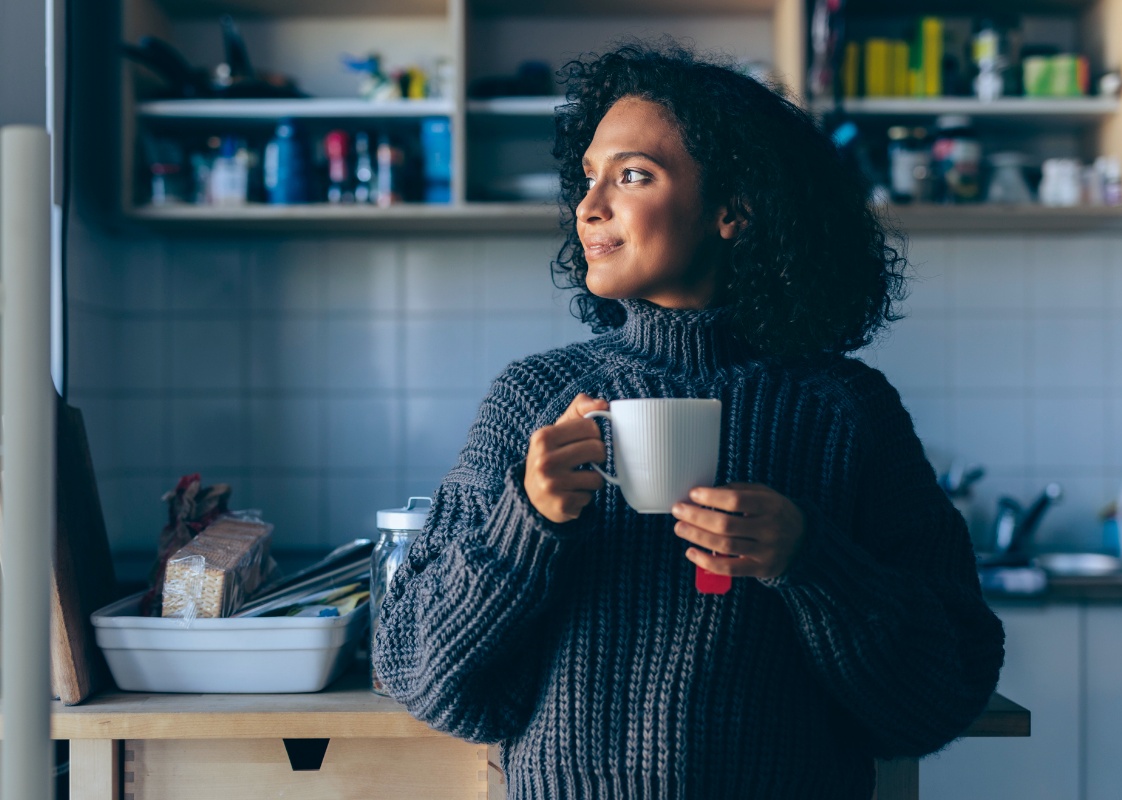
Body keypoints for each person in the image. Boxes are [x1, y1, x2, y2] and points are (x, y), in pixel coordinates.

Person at [373, 40, 1004, 799]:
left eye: (632, 175)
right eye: (588, 178)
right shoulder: (532, 399)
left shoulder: (847, 411)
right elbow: (418, 671)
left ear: (734, 208)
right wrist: (526, 522)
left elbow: (941, 694)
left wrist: (810, 559)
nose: (588, 205)